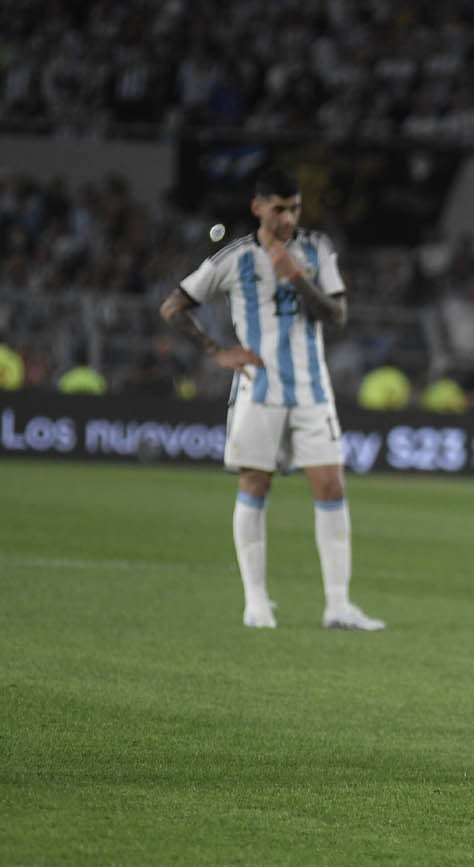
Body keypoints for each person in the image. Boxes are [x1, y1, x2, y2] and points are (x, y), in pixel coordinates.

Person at [159, 166, 384, 631]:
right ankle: (256, 603)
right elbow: (173, 307)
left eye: (295, 207)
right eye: (279, 208)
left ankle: (338, 606)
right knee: (255, 485)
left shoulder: (317, 249)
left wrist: (296, 278)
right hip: (258, 391)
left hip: (311, 391)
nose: (288, 217)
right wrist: (216, 351)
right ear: (258, 207)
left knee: (331, 487)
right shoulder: (235, 258)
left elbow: (337, 316)